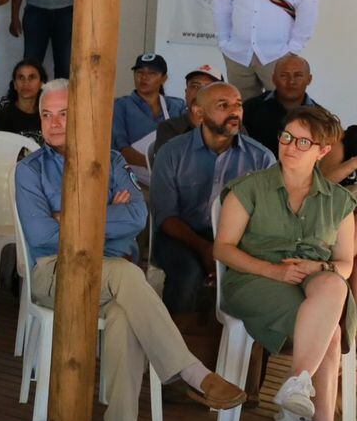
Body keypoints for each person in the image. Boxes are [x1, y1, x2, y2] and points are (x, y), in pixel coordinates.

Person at [15, 79, 245, 421]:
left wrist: (69, 217)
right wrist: (108, 213)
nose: (54, 124)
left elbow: (137, 217)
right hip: (55, 272)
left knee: (125, 311)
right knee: (126, 275)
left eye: (64, 114)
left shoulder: (110, 161)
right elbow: (42, 235)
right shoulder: (29, 170)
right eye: (47, 115)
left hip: (114, 275)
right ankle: (190, 372)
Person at [215, 106, 357, 421]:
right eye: (287, 137)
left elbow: (344, 262)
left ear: (323, 151)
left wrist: (319, 268)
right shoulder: (249, 188)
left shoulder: (339, 200)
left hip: (311, 281)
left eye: (303, 142)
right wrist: (274, 271)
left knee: (334, 283)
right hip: (253, 279)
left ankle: (298, 389)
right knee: (331, 331)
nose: (290, 146)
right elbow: (223, 249)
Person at [149, 81, 275, 318]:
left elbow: (266, 219)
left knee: (259, 277)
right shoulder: (172, 153)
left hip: (239, 240)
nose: (235, 112)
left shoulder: (261, 159)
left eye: (238, 105)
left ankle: (237, 340)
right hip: (182, 236)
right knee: (187, 274)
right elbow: (165, 216)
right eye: (223, 105)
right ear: (199, 112)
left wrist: (226, 250)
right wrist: (205, 248)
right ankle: (175, 337)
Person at [111, 53, 184, 176]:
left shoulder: (177, 106)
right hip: (132, 179)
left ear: (164, 78)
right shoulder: (121, 106)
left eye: (152, 73)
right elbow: (121, 149)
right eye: (139, 72)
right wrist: (153, 164)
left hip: (171, 177)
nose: (144, 77)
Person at [150, 64, 224, 161]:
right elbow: (167, 166)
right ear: (186, 92)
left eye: (209, 87)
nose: (200, 92)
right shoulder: (169, 128)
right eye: (195, 86)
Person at [242, 54, 316, 149]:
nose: (291, 81)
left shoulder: (319, 116)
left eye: (298, 75)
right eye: (284, 76)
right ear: (274, 79)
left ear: (309, 79)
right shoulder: (251, 108)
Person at [0, 59, 46, 141]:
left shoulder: (47, 115)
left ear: (41, 84)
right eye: (21, 77)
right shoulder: (2, 116)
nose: (26, 83)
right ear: (15, 84)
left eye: (32, 77)